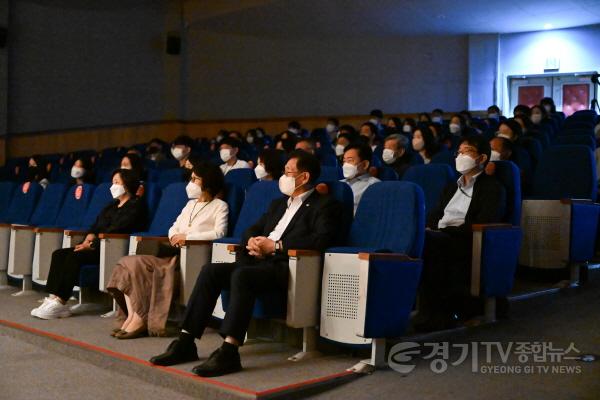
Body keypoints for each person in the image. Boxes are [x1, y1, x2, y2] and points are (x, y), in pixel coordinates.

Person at [149, 151, 340, 377]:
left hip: (287, 267)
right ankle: (185, 341)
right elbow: (252, 228)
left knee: (242, 276)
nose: (283, 177)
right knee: (211, 271)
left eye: (288, 172)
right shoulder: (279, 204)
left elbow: (321, 239)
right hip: (259, 261)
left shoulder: (324, 204)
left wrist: (276, 246)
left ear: (304, 177)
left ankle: (229, 350)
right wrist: (251, 241)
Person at [106, 162, 228, 339]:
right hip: (170, 250)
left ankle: (140, 318)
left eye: (195, 179)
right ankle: (133, 316)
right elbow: (173, 227)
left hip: (188, 255)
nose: (191, 183)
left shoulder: (220, 205)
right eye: (191, 178)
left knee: (133, 263)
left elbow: (219, 232)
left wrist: (187, 237)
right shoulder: (190, 205)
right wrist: (174, 236)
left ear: (207, 182)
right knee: (125, 263)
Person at [30, 169, 148, 320]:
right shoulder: (112, 205)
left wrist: (91, 244)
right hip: (96, 244)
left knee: (74, 257)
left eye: (117, 183)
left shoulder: (135, 206)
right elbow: (96, 225)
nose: (113, 186)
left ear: (127, 185)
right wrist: (88, 238)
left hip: (112, 247)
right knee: (59, 254)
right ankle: (53, 298)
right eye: (113, 182)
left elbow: (118, 230)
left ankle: (61, 301)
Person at [416, 136, 506, 332]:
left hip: (465, 239)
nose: (461, 155)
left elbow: (484, 221)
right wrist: (430, 228)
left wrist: (444, 231)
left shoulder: (492, 187)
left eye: (467, 151)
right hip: (440, 235)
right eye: (459, 152)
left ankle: (436, 316)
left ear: (481, 158)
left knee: (431, 245)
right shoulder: (450, 186)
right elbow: (435, 213)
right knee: (417, 239)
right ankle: (419, 311)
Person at [341, 143, 380, 214]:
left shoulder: (374, 185)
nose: (345, 165)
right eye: (344, 161)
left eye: (350, 161)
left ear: (365, 164)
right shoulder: (339, 183)